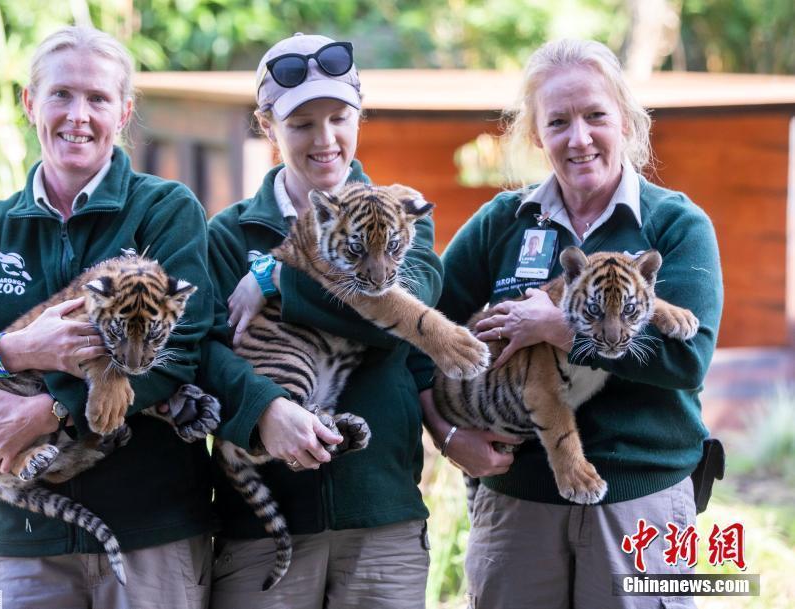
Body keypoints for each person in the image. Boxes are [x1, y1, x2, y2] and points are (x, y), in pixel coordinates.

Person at [0, 26, 214, 609]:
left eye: (98, 99)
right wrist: (13, 352)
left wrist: (51, 407)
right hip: (25, 544)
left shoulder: (162, 210)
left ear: (125, 112)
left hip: (149, 536)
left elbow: (184, 349)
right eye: (61, 94)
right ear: (30, 102)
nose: (77, 116)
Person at [421, 39, 722, 608]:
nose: (578, 138)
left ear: (626, 122)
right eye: (558, 121)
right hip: (517, 504)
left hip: (646, 505)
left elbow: (688, 360)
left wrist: (562, 330)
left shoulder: (676, 224)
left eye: (595, 116)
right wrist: (448, 434)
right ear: (537, 135)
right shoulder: (503, 223)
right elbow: (419, 329)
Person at [199, 33, 438, 609]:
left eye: (338, 117)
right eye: (301, 123)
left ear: (360, 116)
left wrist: (276, 278)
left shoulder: (404, 212)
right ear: (267, 126)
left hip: (382, 524)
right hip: (262, 532)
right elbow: (203, 354)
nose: (324, 139)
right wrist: (265, 411)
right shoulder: (229, 235)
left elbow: (404, 311)